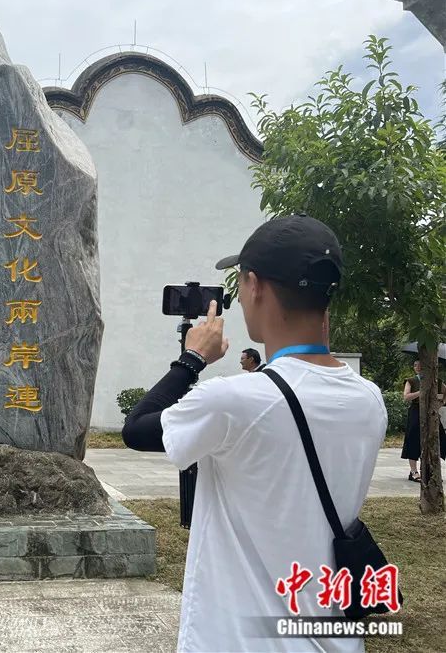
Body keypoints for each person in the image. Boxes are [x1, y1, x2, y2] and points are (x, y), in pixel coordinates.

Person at [122, 215, 386, 652]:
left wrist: (191, 360)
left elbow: (137, 429)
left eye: (238, 285)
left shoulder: (237, 401)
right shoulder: (370, 398)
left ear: (255, 285)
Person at [401, 360, 446, 481]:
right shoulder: (411, 380)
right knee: (414, 439)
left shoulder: (436, 380)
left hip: (431, 412)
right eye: (415, 365)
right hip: (416, 411)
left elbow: (445, 392)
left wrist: (440, 403)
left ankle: (432, 470)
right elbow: (406, 397)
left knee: (437, 438)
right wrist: (421, 392)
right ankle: (414, 471)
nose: (418, 367)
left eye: (420, 365)